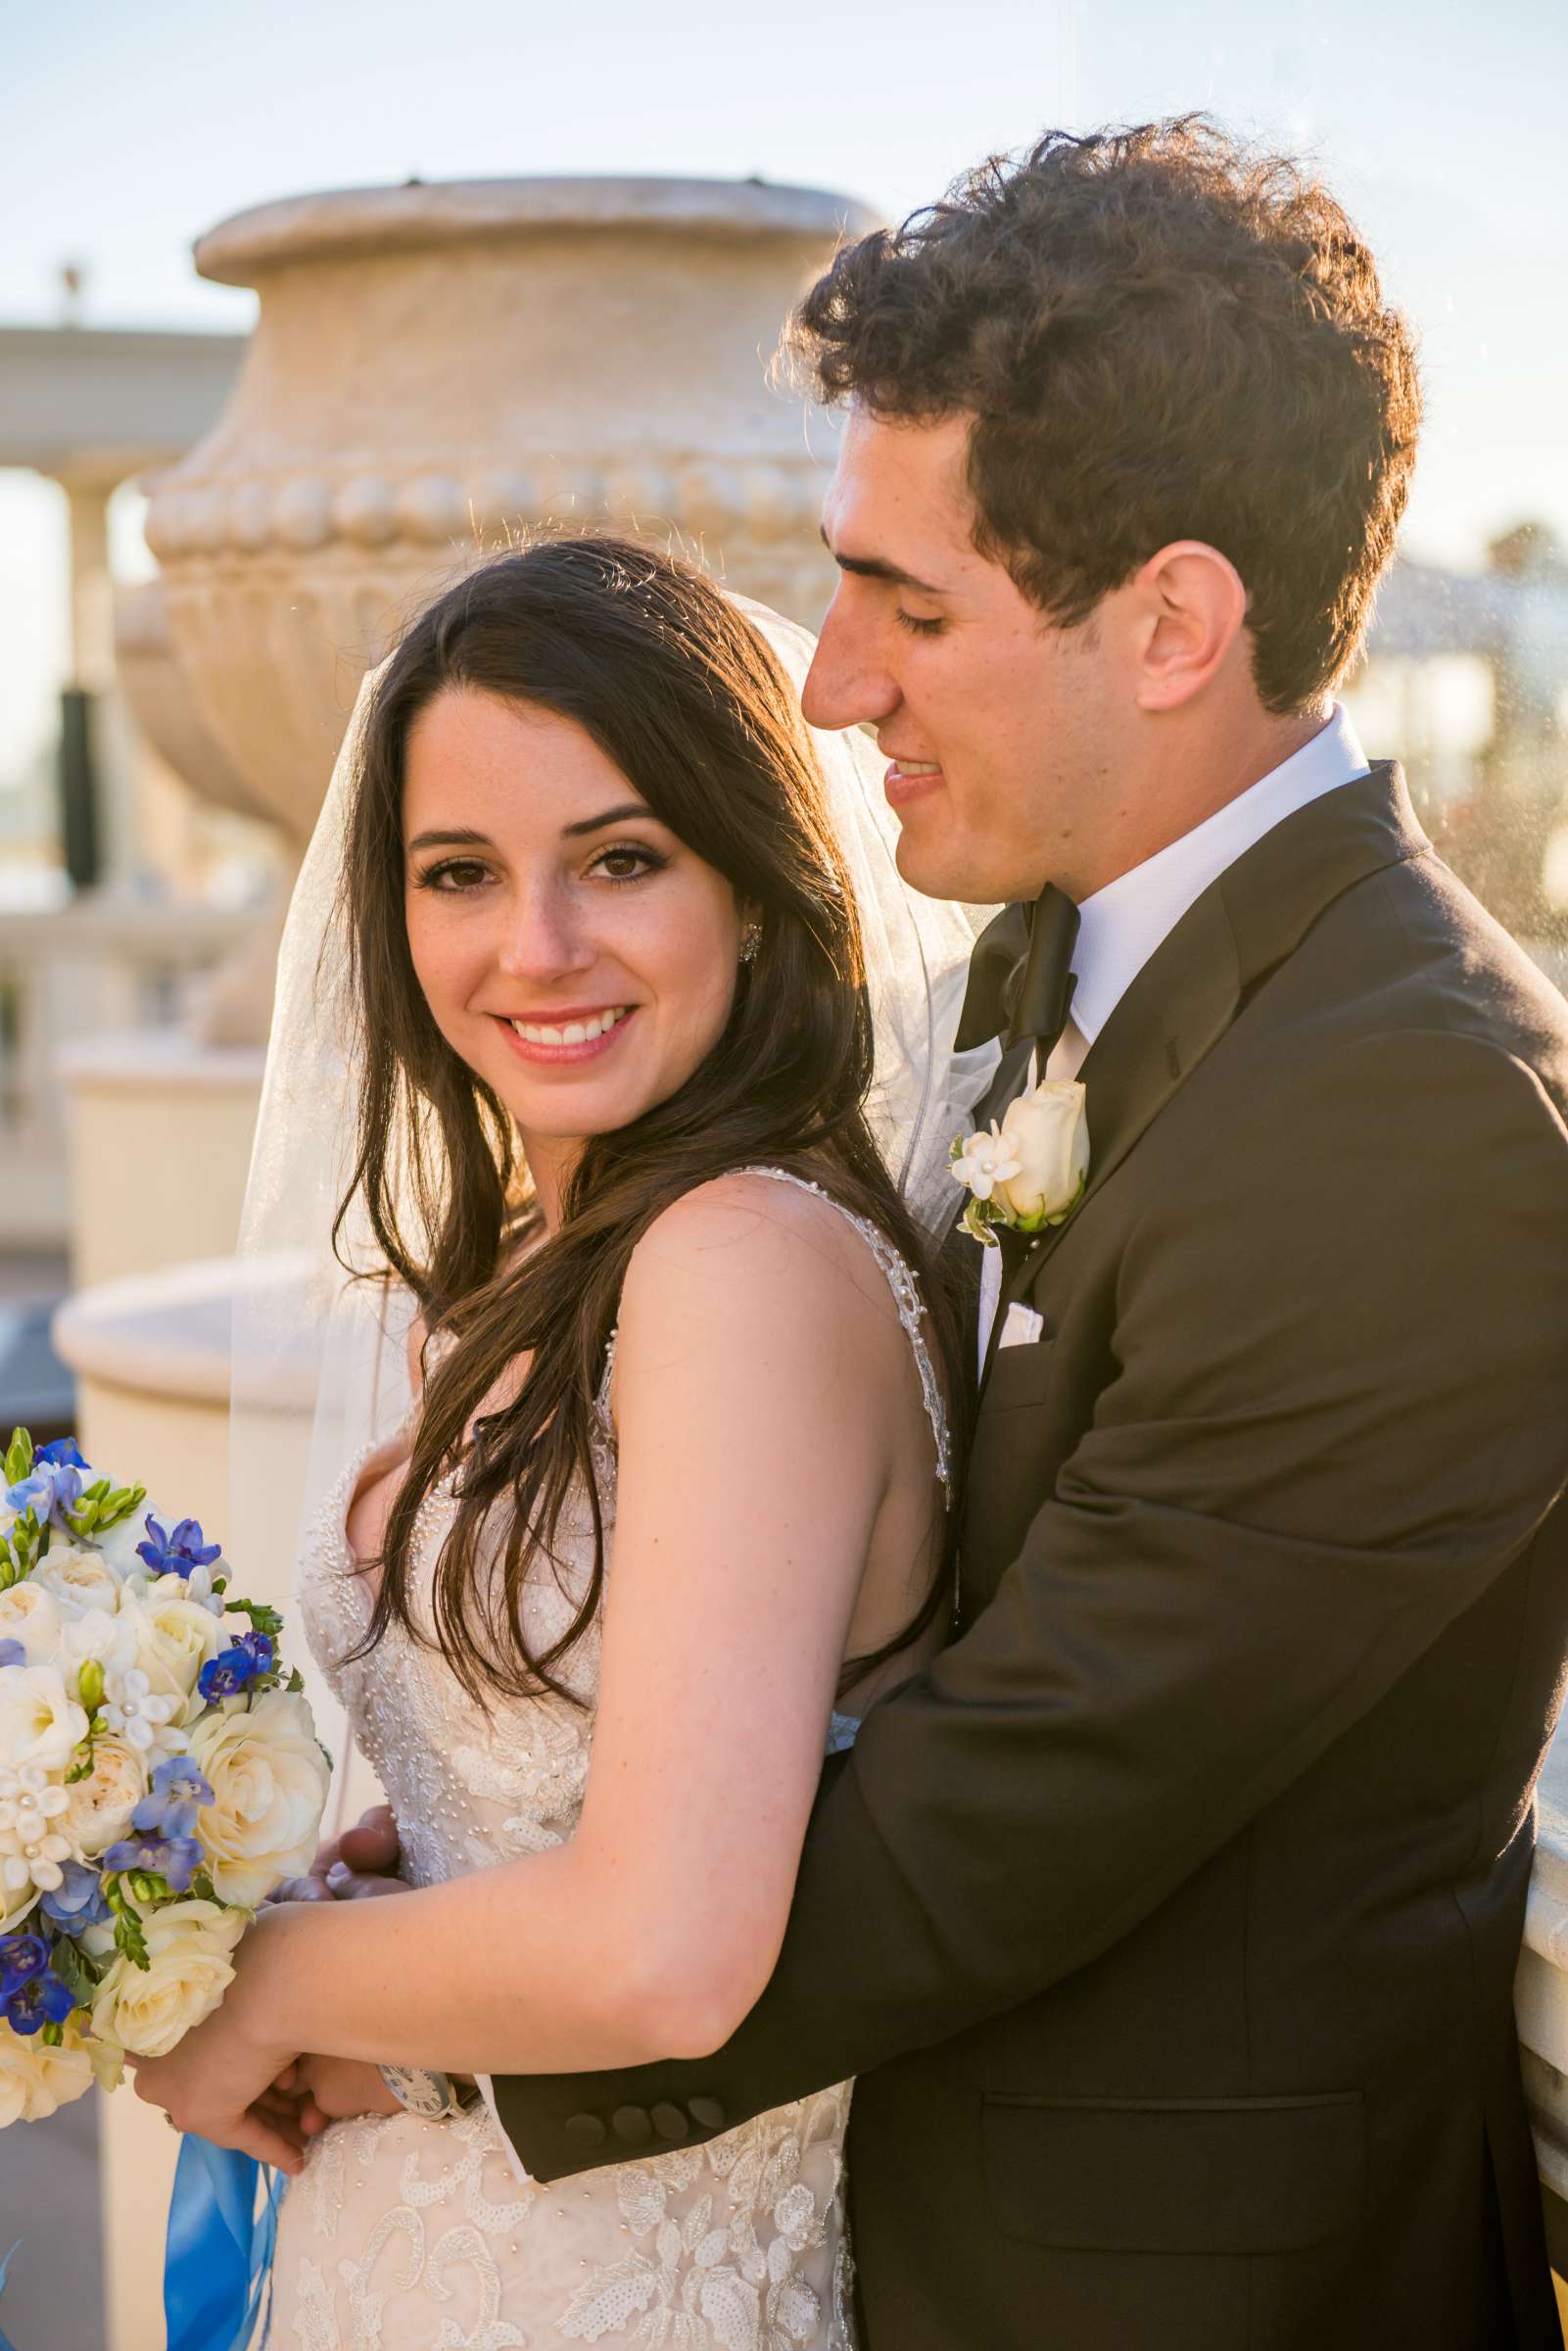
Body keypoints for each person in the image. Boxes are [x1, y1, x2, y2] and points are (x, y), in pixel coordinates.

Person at [286, 119, 1568, 2348]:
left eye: (909, 601)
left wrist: (391, 2009)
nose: (831, 681)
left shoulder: (1429, 1109)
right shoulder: (1042, 966)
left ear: (1172, 621)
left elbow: (1019, 1799)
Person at [128, 535, 989, 2347]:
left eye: (619, 860)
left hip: (620, 2287)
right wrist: (386, 1877)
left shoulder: (738, 1261)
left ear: (755, 887)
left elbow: (664, 1949)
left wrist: (261, 1980)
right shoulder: (547, 1258)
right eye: (461, 874)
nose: (536, 949)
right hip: (425, 2249)